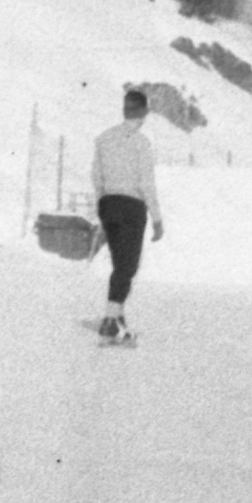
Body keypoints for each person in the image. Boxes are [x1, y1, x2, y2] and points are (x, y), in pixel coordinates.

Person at [90, 88, 163, 342]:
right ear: (144, 112)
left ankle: (118, 315)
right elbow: (146, 183)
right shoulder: (142, 144)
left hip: (108, 204)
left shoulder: (103, 139)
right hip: (132, 207)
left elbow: (96, 177)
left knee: (118, 263)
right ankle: (110, 320)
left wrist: (101, 204)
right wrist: (157, 218)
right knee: (127, 266)